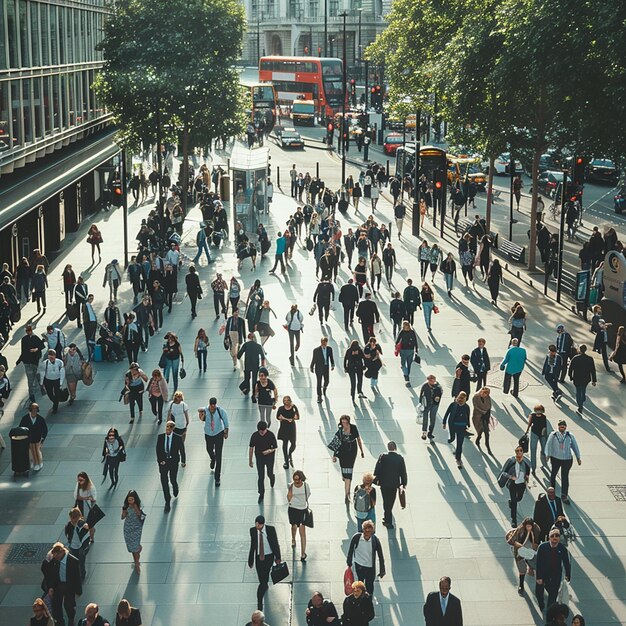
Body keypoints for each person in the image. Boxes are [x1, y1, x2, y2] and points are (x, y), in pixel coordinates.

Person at [44, 542, 82, 626]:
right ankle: (59, 621)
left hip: (69, 585)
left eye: (57, 555)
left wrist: (78, 590)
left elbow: (77, 577)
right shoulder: (53, 560)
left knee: (69, 604)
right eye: (54, 555)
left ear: (62, 552)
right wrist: (50, 587)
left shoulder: (73, 561)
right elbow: (49, 573)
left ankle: (71, 618)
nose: (56, 558)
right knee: (56, 604)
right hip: (58, 584)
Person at [248, 515, 282, 610]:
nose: (257, 526)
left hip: (269, 557)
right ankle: (264, 584)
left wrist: (278, 557)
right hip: (259, 558)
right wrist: (251, 560)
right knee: (260, 576)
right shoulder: (253, 531)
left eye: (258, 525)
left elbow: (275, 544)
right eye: (256, 524)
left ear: (263, 524)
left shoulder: (270, 530)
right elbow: (253, 546)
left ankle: (259, 602)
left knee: (264, 577)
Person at [546, 420, 581, 504]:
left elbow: (575, 446)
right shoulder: (553, 435)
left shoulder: (569, 435)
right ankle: (552, 493)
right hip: (555, 458)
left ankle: (564, 495)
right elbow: (548, 445)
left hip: (567, 459)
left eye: (564, 425)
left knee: (565, 477)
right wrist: (547, 455)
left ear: (566, 427)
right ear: (558, 426)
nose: (562, 426)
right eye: (561, 425)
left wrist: (578, 457)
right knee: (553, 474)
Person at [535, 528, 571, 612]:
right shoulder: (542, 547)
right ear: (549, 538)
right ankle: (541, 604)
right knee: (539, 592)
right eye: (552, 536)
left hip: (555, 575)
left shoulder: (562, 549)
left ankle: (550, 611)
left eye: (557, 536)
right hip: (543, 573)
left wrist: (568, 575)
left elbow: (566, 562)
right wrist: (538, 577)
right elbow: (538, 562)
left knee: (553, 594)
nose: (555, 538)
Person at [373, 441, 407, 529]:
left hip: (384, 484)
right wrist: (404, 483)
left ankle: (387, 519)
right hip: (394, 484)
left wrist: (376, 478)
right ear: (395, 448)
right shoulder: (400, 458)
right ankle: (388, 519)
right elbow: (403, 472)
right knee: (391, 501)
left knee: (386, 501)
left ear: (388, 448)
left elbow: (377, 469)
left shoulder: (383, 456)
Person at [346, 521, 385, 595]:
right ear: (363, 529)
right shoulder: (356, 537)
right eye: (365, 529)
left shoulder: (375, 540)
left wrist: (382, 569)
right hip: (359, 565)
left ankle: (368, 599)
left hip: (370, 567)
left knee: (369, 585)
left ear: (372, 531)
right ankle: (361, 597)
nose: (367, 532)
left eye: (369, 530)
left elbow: (381, 555)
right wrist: (349, 562)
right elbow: (351, 550)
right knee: (360, 584)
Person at [331, 415, 364, 503]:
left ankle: (347, 494)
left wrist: (361, 451)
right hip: (342, 451)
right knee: (343, 468)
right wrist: (334, 455)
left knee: (348, 472)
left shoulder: (353, 428)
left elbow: (358, 439)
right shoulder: (340, 430)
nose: (344, 424)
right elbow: (336, 442)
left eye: (345, 422)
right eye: (342, 422)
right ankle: (345, 477)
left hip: (352, 451)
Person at [199, 397, 229, 487]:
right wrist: (201, 412)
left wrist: (226, 431)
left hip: (218, 433)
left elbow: (225, 421)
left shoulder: (220, 411)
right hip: (208, 434)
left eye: (214, 405)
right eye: (211, 406)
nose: (213, 407)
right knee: (209, 449)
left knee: (219, 455)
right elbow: (200, 415)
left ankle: (217, 478)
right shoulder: (205, 410)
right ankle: (213, 458)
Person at [508, 517, 541, 596]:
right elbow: (511, 540)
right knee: (521, 568)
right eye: (527, 526)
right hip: (520, 549)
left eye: (530, 526)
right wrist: (519, 546)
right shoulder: (520, 529)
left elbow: (537, 539)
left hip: (531, 547)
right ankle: (521, 585)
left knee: (533, 560)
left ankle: (530, 568)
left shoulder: (536, 529)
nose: (529, 528)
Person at [501, 445, 532, 526]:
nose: (519, 452)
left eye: (520, 450)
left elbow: (528, 471)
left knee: (519, 498)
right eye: (517, 451)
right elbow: (504, 472)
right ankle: (513, 519)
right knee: (515, 502)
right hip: (513, 484)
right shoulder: (512, 462)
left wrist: (527, 477)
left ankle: (511, 501)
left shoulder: (526, 463)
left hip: (521, 484)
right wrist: (511, 477)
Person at [156, 421, 182, 513]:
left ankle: (175, 486)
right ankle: (167, 500)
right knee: (164, 481)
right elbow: (158, 450)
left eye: (170, 427)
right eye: (167, 427)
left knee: (172, 479)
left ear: (173, 428)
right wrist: (160, 461)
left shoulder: (178, 438)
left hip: (173, 462)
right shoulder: (160, 437)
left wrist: (183, 461)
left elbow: (182, 450)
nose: (167, 429)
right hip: (164, 463)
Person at [249, 421, 278, 503]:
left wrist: (268, 451)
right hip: (259, 457)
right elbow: (251, 448)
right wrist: (250, 460)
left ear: (266, 429)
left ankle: (272, 477)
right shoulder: (255, 436)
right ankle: (261, 493)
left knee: (269, 473)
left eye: (263, 431)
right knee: (261, 476)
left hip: (269, 457)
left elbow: (275, 447)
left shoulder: (271, 435)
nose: (262, 433)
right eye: (260, 431)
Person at [17, 325, 45, 402]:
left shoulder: (35, 338)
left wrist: (36, 349)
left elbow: (41, 346)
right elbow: (23, 350)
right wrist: (20, 359)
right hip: (27, 361)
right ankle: (31, 394)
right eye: (27, 331)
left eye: (29, 331)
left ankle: (42, 387)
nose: (29, 332)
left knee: (38, 376)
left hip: (35, 361)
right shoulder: (24, 339)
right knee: (30, 379)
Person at [442, 392, 470, 469]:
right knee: (453, 437)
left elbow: (468, 415)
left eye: (462, 399)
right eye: (459, 398)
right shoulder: (453, 404)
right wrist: (444, 422)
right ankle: (451, 439)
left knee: (460, 443)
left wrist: (468, 424)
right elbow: (447, 413)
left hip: (461, 427)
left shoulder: (466, 407)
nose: (460, 400)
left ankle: (458, 459)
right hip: (453, 425)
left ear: (465, 399)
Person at [287, 470, 310, 561]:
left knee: (302, 532)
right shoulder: (291, 486)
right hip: (293, 509)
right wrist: (290, 491)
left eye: (298, 479)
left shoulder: (305, 486)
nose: (296, 481)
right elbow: (288, 498)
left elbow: (308, 495)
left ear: (301, 479)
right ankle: (293, 538)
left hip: (302, 510)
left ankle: (303, 553)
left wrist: (300, 502)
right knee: (293, 526)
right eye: (295, 479)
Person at [121, 490, 146, 574]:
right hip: (128, 528)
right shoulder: (126, 506)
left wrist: (136, 508)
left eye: (132, 499)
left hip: (136, 528)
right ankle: (136, 559)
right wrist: (125, 512)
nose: (130, 501)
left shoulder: (139, 506)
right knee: (132, 547)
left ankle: (137, 563)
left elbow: (141, 516)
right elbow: (122, 517)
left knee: (134, 547)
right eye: (129, 500)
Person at [568, 344, 597, 414]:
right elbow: (593, 370)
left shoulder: (575, 358)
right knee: (583, 388)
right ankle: (583, 397)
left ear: (579, 350)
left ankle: (580, 406)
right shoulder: (590, 359)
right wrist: (594, 380)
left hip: (577, 377)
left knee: (578, 391)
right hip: (586, 378)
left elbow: (570, 368)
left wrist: (570, 376)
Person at [19, 402, 48, 471]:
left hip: (37, 438)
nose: (34, 411)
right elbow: (21, 427)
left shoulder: (40, 419)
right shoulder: (25, 418)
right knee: (31, 450)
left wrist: (42, 438)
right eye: (33, 409)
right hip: (29, 438)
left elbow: (45, 429)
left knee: (36, 450)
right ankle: (33, 462)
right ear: (30, 410)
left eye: (36, 409)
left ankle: (38, 462)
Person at [64, 507, 90, 581]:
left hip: (81, 547)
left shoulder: (80, 523)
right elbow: (67, 534)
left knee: (81, 562)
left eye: (75, 518)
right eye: (72, 518)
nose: (73, 520)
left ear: (78, 517)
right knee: (74, 562)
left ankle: (82, 574)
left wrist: (85, 526)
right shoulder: (69, 525)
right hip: (73, 546)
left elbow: (85, 525)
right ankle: (77, 574)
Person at [38, 349, 66, 414]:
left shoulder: (59, 362)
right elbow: (42, 373)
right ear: (48, 356)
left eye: (53, 355)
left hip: (57, 380)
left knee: (57, 394)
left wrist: (61, 382)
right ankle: (55, 402)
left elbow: (62, 373)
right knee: (50, 395)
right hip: (48, 381)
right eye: (50, 356)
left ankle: (55, 407)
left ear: (55, 356)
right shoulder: (45, 363)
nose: (51, 358)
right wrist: (41, 383)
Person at [166, 391, 190, 467]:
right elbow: (169, 415)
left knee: (181, 443)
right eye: (178, 397)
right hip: (175, 427)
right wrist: (169, 425)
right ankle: (182, 460)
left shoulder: (183, 405)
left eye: (180, 397)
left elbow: (186, 416)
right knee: (180, 445)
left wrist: (187, 424)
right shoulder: (171, 405)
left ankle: (181, 459)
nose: (179, 398)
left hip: (182, 426)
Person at [524, 404, 548, 474]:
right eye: (537, 411)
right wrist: (527, 430)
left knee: (544, 449)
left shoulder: (544, 417)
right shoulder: (532, 416)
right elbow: (529, 423)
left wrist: (544, 435)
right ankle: (533, 467)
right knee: (533, 450)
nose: (538, 412)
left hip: (542, 434)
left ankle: (544, 463)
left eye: (540, 411)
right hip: (534, 433)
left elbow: (545, 426)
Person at [310, 336, 335, 403]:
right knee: (319, 382)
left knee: (327, 380)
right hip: (318, 368)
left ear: (327, 343)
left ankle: (324, 388)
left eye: (325, 343)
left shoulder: (329, 349)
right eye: (322, 342)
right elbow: (314, 359)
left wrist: (332, 365)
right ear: (321, 342)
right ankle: (319, 396)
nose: (323, 344)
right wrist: (311, 366)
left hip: (326, 367)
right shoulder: (316, 350)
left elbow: (331, 357)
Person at [277, 396, 299, 469]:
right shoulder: (281, 408)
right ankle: (286, 461)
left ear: (290, 401)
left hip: (291, 428)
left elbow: (297, 417)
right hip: (284, 428)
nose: (286, 402)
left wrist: (287, 419)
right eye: (284, 400)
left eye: (287, 400)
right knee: (284, 444)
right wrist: (284, 419)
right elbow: (278, 416)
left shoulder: (293, 408)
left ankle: (289, 454)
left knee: (293, 444)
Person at [419, 375, 443, 441]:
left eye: (434, 381)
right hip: (427, 404)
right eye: (431, 381)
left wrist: (437, 399)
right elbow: (421, 395)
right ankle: (424, 432)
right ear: (428, 380)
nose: (433, 382)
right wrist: (420, 403)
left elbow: (440, 393)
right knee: (425, 417)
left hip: (434, 404)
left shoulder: (438, 386)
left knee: (433, 418)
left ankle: (430, 432)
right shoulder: (425, 386)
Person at [472, 387, 492, 453]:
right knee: (480, 430)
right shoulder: (475, 397)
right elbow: (476, 407)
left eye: (486, 394)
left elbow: (489, 406)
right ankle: (478, 438)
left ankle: (487, 445)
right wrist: (483, 411)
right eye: (483, 393)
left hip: (485, 417)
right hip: (478, 416)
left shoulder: (488, 398)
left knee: (486, 432)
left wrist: (487, 415)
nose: (484, 395)